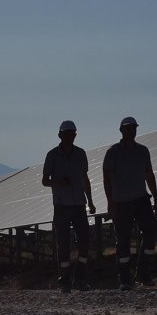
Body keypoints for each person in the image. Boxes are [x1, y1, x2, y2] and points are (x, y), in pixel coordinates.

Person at [103, 116, 157, 290]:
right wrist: (110, 203)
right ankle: (125, 279)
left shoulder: (142, 151)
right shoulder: (113, 152)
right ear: (121, 130)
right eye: (128, 128)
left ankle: (144, 273)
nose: (131, 131)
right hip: (121, 202)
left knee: (151, 231)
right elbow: (107, 179)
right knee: (123, 240)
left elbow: (149, 174)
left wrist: (156, 198)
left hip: (141, 199)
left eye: (134, 128)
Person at [42, 120, 96, 293]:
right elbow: (44, 181)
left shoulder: (81, 154)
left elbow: (85, 178)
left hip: (79, 204)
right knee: (63, 244)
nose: (69, 137)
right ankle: (65, 281)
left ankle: (80, 279)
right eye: (66, 134)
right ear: (60, 135)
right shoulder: (52, 155)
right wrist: (59, 183)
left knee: (84, 243)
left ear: (75, 135)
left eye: (72, 134)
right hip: (61, 206)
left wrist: (91, 201)